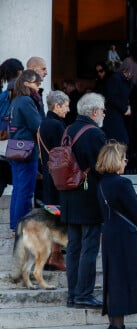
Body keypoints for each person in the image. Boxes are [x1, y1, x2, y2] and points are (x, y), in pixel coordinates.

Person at [96, 141, 137, 329]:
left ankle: (116, 326)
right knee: (123, 281)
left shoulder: (102, 183)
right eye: (123, 158)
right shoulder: (122, 184)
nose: (126, 161)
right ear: (116, 161)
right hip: (124, 236)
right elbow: (136, 210)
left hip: (110, 233)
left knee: (114, 280)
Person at [59, 93, 107, 309]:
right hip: (88, 196)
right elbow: (103, 167)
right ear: (95, 112)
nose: (104, 114)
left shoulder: (68, 130)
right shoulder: (94, 133)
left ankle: (73, 294)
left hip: (69, 195)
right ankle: (84, 294)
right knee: (89, 247)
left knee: (74, 247)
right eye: (103, 110)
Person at [37, 90, 70, 271]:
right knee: (57, 214)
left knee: (52, 214)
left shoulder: (43, 124)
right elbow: (64, 154)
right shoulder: (57, 126)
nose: (68, 109)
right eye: (66, 105)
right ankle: (55, 256)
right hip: (58, 177)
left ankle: (50, 255)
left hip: (48, 175)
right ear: (56, 106)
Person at [7, 70, 43, 232]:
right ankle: (22, 226)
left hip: (15, 148)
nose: (39, 86)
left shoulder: (16, 100)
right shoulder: (27, 101)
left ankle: (15, 224)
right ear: (27, 83)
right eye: (37, 83)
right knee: (26, 191)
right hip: (27, 150)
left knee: (18, 188)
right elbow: (38, 125)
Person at [0, 58, 23, 198]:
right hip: (11, 146)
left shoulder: (4, 94)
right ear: (20, 72)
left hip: (7, 147)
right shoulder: (13, 94)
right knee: (20, 188)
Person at [102, 57, 134, 145]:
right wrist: (125, 109)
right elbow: (112, 97)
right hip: (114, 116)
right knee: (119, 141)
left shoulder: (125, 80)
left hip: (121, 116)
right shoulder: (115, 78)